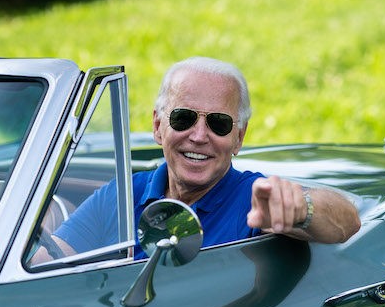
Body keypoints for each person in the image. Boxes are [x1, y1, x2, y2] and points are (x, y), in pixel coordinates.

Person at [35, 57, 360, 263]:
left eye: (218, 123)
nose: (199, 135)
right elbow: (54, 260)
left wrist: (301, 209)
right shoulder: (121, 195)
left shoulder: (254, 200)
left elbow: (347, 221)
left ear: (239, 138)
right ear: (159, 126)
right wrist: (30, 228)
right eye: (183, 118)